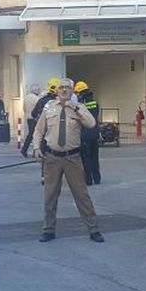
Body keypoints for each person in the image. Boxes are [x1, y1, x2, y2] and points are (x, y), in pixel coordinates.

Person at [30, 79, 104, 243]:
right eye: (61, 88)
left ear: (72, 91)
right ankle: (48, 230)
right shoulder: (49, 108)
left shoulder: (79, 108)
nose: (64, 90)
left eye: (67, 88)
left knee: (81, 195)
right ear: (57, 91)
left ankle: (93, 229)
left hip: (73, 158)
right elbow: (38, 130)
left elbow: (91, 124)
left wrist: (76, 107)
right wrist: (36, 148)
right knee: (50, 195)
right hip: (52, 158)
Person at [75, 80, 102, 185]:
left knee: (86, 158)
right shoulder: (95, 103)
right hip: (94, 133)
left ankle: (88, 180)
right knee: (95, 157)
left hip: (85, 134)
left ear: (80, 92)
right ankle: (97, 178)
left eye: (77, 93)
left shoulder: (80, 105)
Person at [25, 78, 58, 157]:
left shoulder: (40, 100)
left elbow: (33, 113)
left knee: (33, 135)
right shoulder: (58, 101)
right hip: (54, 129)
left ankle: (34, 152)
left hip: (37, 121)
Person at [19, 84, 42, 156]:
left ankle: (24, 149)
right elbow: (38, 109)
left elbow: (24, 108)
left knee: (30, 134)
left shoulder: (26, 98)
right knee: (36, 134)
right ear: (36, 90)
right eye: (38, 90)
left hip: (29, 118)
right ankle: (34, 151)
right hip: (36, 119)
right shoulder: (37, 99)